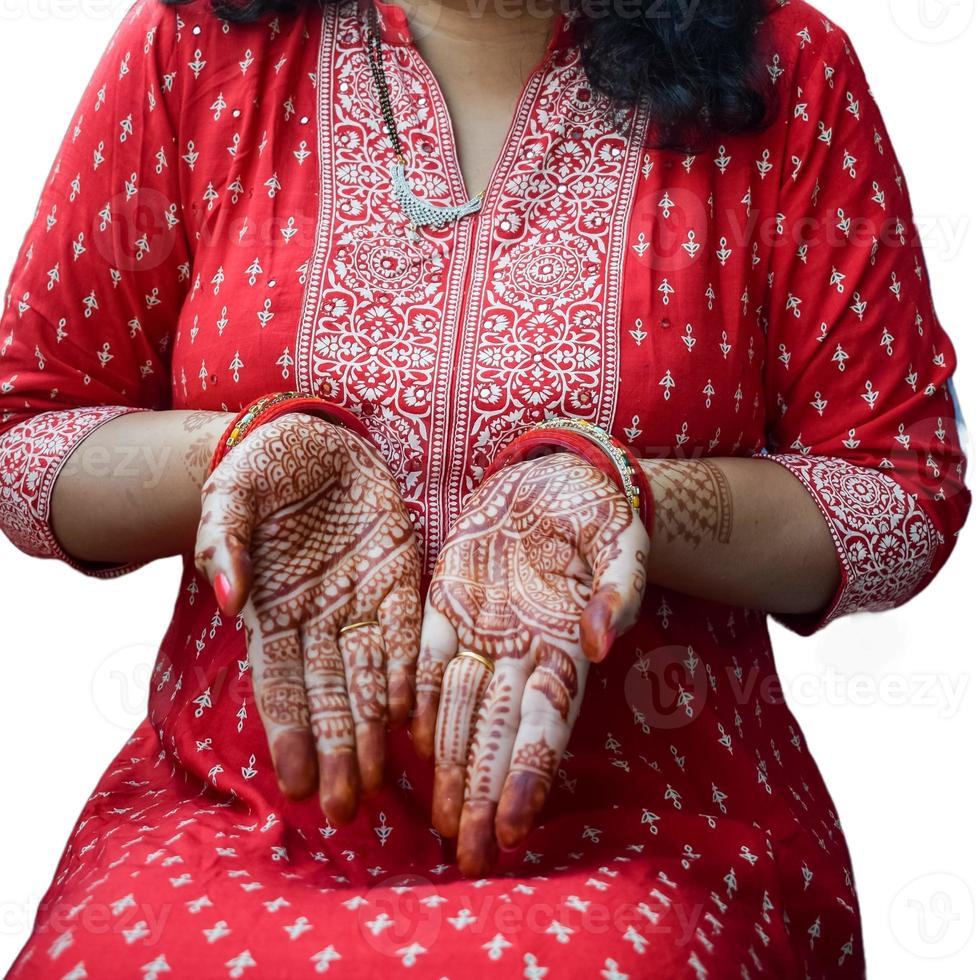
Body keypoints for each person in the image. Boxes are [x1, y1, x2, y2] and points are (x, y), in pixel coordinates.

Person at [0, 0, 969, 975]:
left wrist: (622, 498)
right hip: (231, 819)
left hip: (651, 837)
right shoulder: (198, 44)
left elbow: (897, 488)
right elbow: (26, 428)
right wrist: (240, 451)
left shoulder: (783, 69)